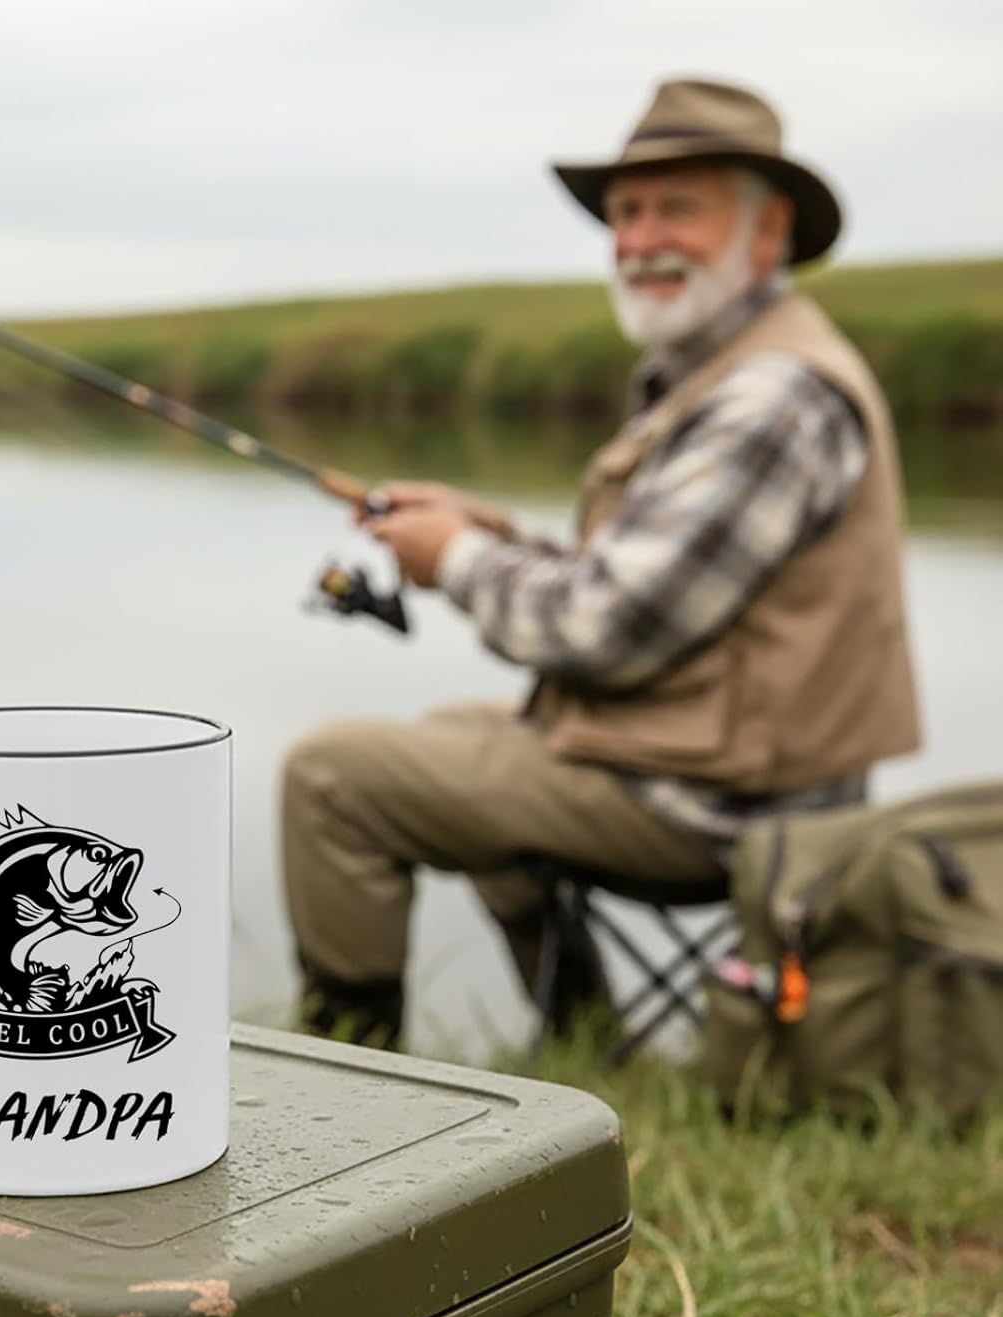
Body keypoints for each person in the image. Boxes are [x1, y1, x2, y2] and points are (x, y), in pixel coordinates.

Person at [281, 77, 921, 1050]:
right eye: (625, 213)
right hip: (711, 763)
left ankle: (347, 1081)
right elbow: (640, 583)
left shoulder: (771, 398)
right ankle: (579, 1033)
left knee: (330, 775)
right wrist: (479, 527)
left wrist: (453, 559)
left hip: (730, 809)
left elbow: (599, 631)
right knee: (462, 732)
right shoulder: (719, 368)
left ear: (768, 230)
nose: (640, 237)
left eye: (678, 209)